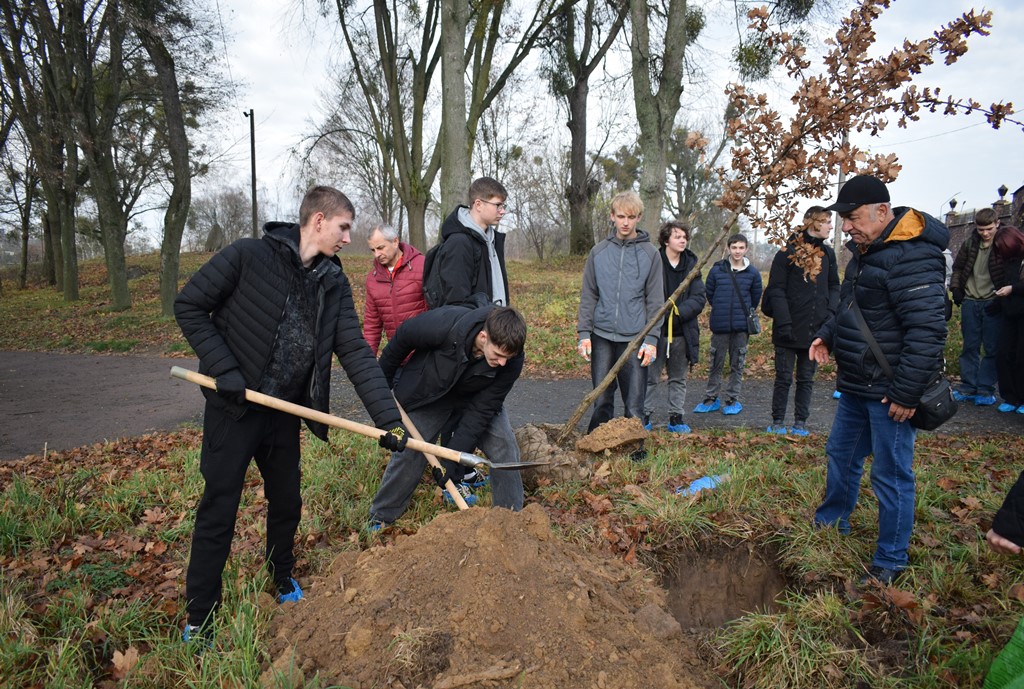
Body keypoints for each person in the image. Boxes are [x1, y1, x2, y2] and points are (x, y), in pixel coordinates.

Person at [174, 186, 408, 641]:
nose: (348, 239)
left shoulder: (332, 283)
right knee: (219, 507)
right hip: (234, 409)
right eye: (343, 228)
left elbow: (356, 353)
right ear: (318, 221)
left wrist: (389, 420)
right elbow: (189, 306)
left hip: (284, 412)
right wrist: (223, 368)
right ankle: (201, 614)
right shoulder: (247, 256)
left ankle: (281, 576)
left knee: (287, 502)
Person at [809, 174, 948, 585]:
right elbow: (850, 306)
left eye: (851, 217)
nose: (846, 227)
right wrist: (827, 335)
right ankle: (832, 521)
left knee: (890, 474)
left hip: (890, 392)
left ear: (882, 212)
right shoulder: (865, 252)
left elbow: (927, 332)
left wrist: (906, 392)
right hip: (856, 384)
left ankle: (890, 559)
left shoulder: (915, 256)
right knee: (842, 455)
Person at [367, 305, 528, 527]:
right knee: (412, 448)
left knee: (505, 446)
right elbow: (404, 337)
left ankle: (510, 520)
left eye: (507, 358)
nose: (503, 363)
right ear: (483, 337)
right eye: (499, 355)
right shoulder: (446, 325)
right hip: (434, 391)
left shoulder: (512, 359)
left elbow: (481, 411)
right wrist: (381, 385)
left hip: (477, 396)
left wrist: (451, 464)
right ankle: (381, 516)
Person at [576, 191, 663, 455]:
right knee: (601, 398)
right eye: (621, 216)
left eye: (632, 217)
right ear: (612, 217)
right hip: (601, 336)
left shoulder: (651, 254)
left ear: (639, 218)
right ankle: (597, 445)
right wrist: (584, 332)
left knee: (634, 401)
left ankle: (635, 449)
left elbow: (655, 301)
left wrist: (651, 339)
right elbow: (589, 294)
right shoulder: (598, 253)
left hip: (635, 337)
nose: (626, 222)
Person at [761, 207, 840, 435]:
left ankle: (800, 423)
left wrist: (830, 313)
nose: (829, 226)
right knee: (783, 378)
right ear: (810, 222)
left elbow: (834, 285)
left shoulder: (828, 255)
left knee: (807, 378)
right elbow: (776, 290)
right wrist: (784, 323)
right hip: (788, 329)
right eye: (825, 221)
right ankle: (777, 422)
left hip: (816, 330)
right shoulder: (787, 252)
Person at [642, 221, 706, 433]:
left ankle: (676, 419)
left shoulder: (692, 266)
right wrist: (658, 315)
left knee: (678, 378)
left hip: (682, 332)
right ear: (666, 239)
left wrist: (676, 313)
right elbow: (643, 294)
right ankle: (644, 416)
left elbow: (698, 298)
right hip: (654, 332)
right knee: (650, 378)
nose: (682, 240)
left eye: (684, 237)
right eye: (677, 236)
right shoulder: (653, 261)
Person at [694, 233, 762, 416]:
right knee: (716, 362)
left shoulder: (753, 273)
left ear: (746, 249)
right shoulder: (717, 270)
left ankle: (732, 399)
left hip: (741, 327)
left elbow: (755, 298)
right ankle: (711, 398)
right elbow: (710, 293)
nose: (737, 251)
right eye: (734, 247)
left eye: (741, 247)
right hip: (720, 325)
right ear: (728, 248)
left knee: (737, 363)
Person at [950, 207, 1007, 406]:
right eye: (981, 229)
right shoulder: (969, 243)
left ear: (997, 224)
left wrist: (1001, 300)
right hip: (970, 300)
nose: (985, 233)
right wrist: (956, 288)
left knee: (990, 348)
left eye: (989, 229)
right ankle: (968, 386)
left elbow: (1010, 273)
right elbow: (957, 268)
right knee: (970, 347)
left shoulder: (1003, 244)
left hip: (992, 301)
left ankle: (985, 389)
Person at [432, 176, 510, 307]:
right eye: (498, 205)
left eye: (503, 205)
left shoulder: (492, 240)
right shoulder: (458, 243)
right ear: (478, 204)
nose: (502, 211)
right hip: (477, 325)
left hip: (495, 322)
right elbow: (456, 302)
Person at [362, 223, 427, 355]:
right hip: (397, 356)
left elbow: (439, 310)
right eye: (373, 250)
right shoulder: (373, 279)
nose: (377, 255)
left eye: (380, 248)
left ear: (395, 241)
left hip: (426, 355)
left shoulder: (423, 266)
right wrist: (366, 364)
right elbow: (372, 325)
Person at [991, 224, 1024, 412]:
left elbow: (1014, 286)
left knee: (1022, 357)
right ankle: (1010, 396)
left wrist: (1013, 289)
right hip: (1009, 313)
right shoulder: (1008, 261)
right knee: (1003, 354)